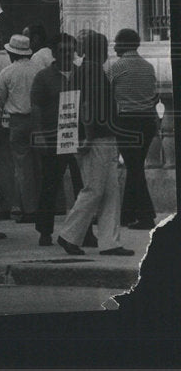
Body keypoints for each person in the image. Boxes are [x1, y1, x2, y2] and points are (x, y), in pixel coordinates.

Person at [56, 32, 133, 256]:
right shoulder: (93, 71)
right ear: (98, 50)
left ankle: (110, 242)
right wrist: (88, 136)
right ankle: (69, 234)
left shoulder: (81, 71)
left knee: (109, 191)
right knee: (95, 189)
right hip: (98, 138)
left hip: (100, 137)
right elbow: (87, 106)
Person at [32, 33, 90, 248]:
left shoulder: (81, 75)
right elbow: (36, 107)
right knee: (50, 185)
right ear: (54, 52)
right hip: (53, 137)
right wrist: (39, 136)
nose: (67, 54)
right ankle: (45, 231)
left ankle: (84, 231)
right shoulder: (43, 77)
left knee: (82, 186)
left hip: (78, 137)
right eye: (62, 50)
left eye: (70, 50)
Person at [109, 28, 159, 230]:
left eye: (117, 43)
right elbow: (154, 95)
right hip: (147, 121)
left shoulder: (117, 67)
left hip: (126, 121)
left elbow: (107, 93)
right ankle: (127, 214)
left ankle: (146, 215)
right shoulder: (148, 67)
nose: (114, 47)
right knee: (135, 166)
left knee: (134, 167)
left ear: (124, 45)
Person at [0, 34, 42, 225]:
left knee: (21, 166)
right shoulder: (39, 70)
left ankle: (26, 208)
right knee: (39, 164)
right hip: (38, 121)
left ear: (10, 52)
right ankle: (40, 205)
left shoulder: (7, 73)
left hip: (17, 121)